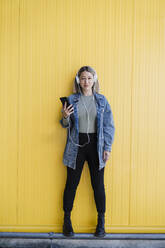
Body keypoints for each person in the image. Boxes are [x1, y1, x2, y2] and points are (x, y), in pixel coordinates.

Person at [60, 66, 115, 237]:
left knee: (98, 185)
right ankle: (67, 222)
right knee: (71, 185)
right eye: (83, 78)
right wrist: (65, 117)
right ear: (78, 80)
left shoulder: (102, 100)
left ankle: (101, 223)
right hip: (76, 145)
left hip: (96, 146)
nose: (86, 82)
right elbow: (65, 126)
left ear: (94, 80)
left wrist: (107, 148)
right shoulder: (72, 99)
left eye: (89, 78)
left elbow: (108, 126)